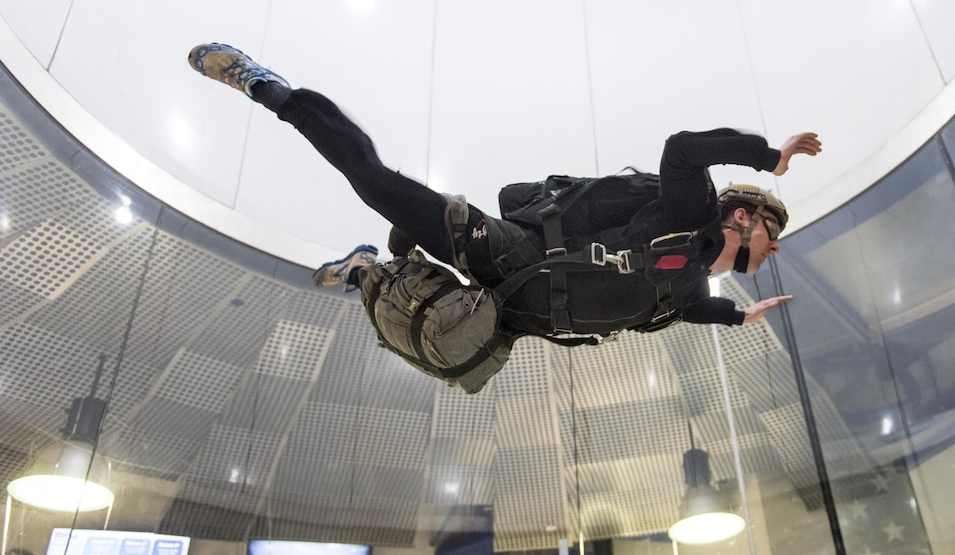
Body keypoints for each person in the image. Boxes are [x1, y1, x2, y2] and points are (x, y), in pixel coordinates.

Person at [188, 43, 821, 341]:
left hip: (510, 318)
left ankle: (364, 269)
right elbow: (682, 147)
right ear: (744, 216)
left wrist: (737, 314)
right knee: (373, 180)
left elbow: (686, 308)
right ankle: (267, 86)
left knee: (416, 331)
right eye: (773, 235)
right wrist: (767, 156)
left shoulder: (684, 284)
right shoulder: (692, 216)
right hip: (504, 254)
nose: (772, 251)